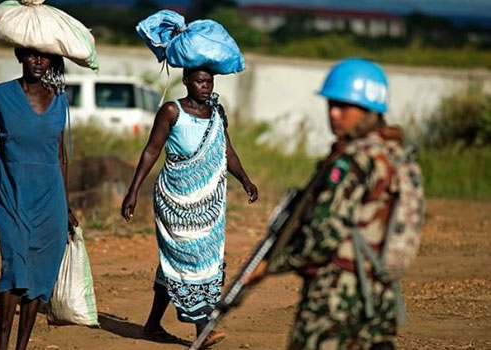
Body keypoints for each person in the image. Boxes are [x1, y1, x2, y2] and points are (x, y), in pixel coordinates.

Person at [245, 58, 419, 350]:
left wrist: (270, 264)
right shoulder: (396, 158)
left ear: (369, 110)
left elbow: (323, 236)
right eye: (330, 105)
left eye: (343, 106)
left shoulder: (351, 161)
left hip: (334, 300)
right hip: (380, 298)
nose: (334, 114)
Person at [0, 47, 78, 350]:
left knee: (38, 279)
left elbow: (61, 157)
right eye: (31, 55)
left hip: (51, 203)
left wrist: (67, 205)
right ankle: (3, 346)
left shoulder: (59, 99)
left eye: (44, 56)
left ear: (53, 61)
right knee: (14, 272)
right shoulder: (1, 96)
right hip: (13, 198)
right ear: (20, 56)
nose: (38, 61)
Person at [121, 66, 258, 348]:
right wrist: (133, 191)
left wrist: (245, 180)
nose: (205, 86)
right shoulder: (172, 111)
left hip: (209, 203)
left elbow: (226, 151)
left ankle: (152, 325)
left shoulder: (218, 114)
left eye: (209, 81)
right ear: (186, 82)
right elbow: (151, 150)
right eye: (199, 81)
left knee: (187, 262)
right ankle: (203, 330)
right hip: (175, 201)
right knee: (192, 259)